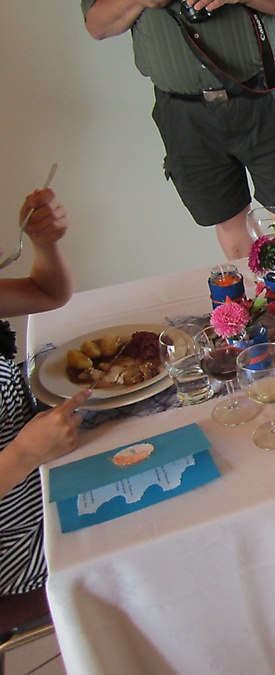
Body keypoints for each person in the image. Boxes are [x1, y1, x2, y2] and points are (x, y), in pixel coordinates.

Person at [81, 0, 275, 260]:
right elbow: (96, 26)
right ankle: (260, 286)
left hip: (260, 93)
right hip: (183, 112)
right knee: (228, 218)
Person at [1, 189, 91, 596]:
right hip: (22, 540)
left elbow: (48, 293)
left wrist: (44, 244)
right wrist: (22, 455)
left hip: (48, 474)